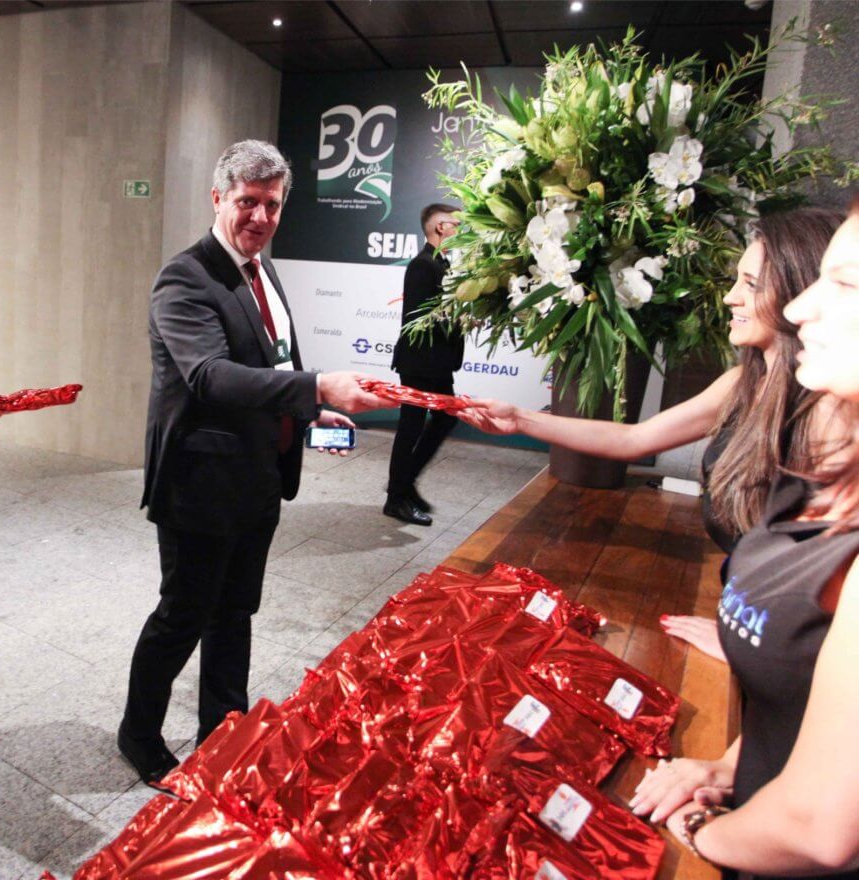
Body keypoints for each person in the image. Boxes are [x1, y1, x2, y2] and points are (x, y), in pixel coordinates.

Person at [455, 208, 843, 661]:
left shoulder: (831, 413)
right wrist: (520, 420)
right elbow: (634, 440)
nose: (730, 298)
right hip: (747, 613)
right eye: (736, 280)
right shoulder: (742, 383)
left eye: (751, 284)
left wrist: (749, 642)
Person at [118, 140, 388, 785]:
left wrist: (307, 415)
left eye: (272, 204)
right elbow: (210, 376)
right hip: (200, 484)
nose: (260, 216)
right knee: (182, 616)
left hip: (259, 477)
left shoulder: (263, 270)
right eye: (247, 202)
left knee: (235, 611)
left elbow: (273, 365)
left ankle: (224, 730)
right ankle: (139, 734)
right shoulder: (185, 278)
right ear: (218, 198)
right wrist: (317, 388)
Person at [629, 195, 859, 877]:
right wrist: (730, 766)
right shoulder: (819, 471)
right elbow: (810, 704)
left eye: (844, 284)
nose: (801, 308)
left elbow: (816, 828)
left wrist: (701, 831)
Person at [384, 203, 464, 526]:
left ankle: (405, 483)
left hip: (436, 363)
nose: (460, 230)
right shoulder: (422, 265)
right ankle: (396, 498)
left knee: (445, 418)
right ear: (440, 227)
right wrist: (460, 316)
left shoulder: (440, 263)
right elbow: (419, 318)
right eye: (456, 224)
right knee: (411, 427)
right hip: (420, 361)